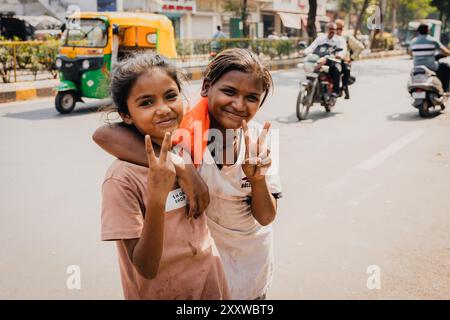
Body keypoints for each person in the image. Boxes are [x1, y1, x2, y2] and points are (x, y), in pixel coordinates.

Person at [93, 48, 282, 300]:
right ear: (206, 88)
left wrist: (257, 180)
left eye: (251, 97)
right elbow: (104, 135)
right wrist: (183, 167)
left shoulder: (259, 140)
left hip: (251, 271)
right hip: (208, 276)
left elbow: (267, 216)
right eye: (229, 91)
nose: (238, 104)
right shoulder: (181, 131)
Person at [100, 52, 230, 300]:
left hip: (210, 284)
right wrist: (157, 199)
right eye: (146, 103)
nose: (163, 109)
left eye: (171, 96)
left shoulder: (183, 149)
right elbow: (145, 267)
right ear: (126, 115)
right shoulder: (121, 180)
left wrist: (182, 165)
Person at [301, 22, 347, 96]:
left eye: (334, 29)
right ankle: (310, 88)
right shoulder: (320, 38)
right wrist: (304, 52)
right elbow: (312, 47)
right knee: (309, 66)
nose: (332, 31)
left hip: (332, 60)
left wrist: (339, 55)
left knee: (336, 69)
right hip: (318, 59)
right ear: (327, 30)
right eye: (330, 29)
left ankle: (335, 92)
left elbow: (343, 50)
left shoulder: (340, 40)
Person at [411, 24, 450, 93]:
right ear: (428, 31)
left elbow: (410, 53)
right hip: (431, 66)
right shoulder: (432, 40)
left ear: (418, 31)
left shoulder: (413, 41)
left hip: (417, 67)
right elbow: (444, 51)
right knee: (446, 67)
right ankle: (444, 90)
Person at [335, 19, 364, 99]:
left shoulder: (346, 37)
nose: (337, 31)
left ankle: (343, 89)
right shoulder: (329, 37)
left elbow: (360, 47)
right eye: (336, 29)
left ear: (342, 29)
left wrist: (351, 58)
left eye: (339, 29)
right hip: (332, 61)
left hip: (344, 61)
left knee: (346, 74)